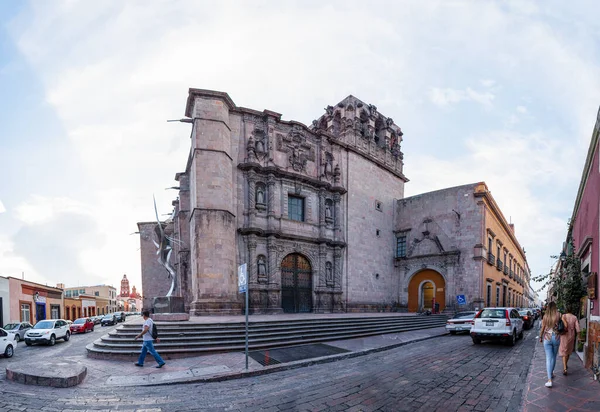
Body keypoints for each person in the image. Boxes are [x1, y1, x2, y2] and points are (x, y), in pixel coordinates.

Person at [539, 301, 561, 387]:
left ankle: (549, 380)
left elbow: (542, 328)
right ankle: (551, 373)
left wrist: (540, 337)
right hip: (556, 337)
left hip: (547, 338)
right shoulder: (558, 314)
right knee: (554, 357)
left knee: (548, 358)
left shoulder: (545, 316)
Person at [559, 305, 580, 375]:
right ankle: (566, 365)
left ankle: (565, 368)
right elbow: (577, 328)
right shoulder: (574, 317)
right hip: (571, 335)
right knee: (568, 351)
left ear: (566, 310)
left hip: (564, 335)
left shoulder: (563, 316)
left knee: (564, 350)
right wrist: (579, 336)